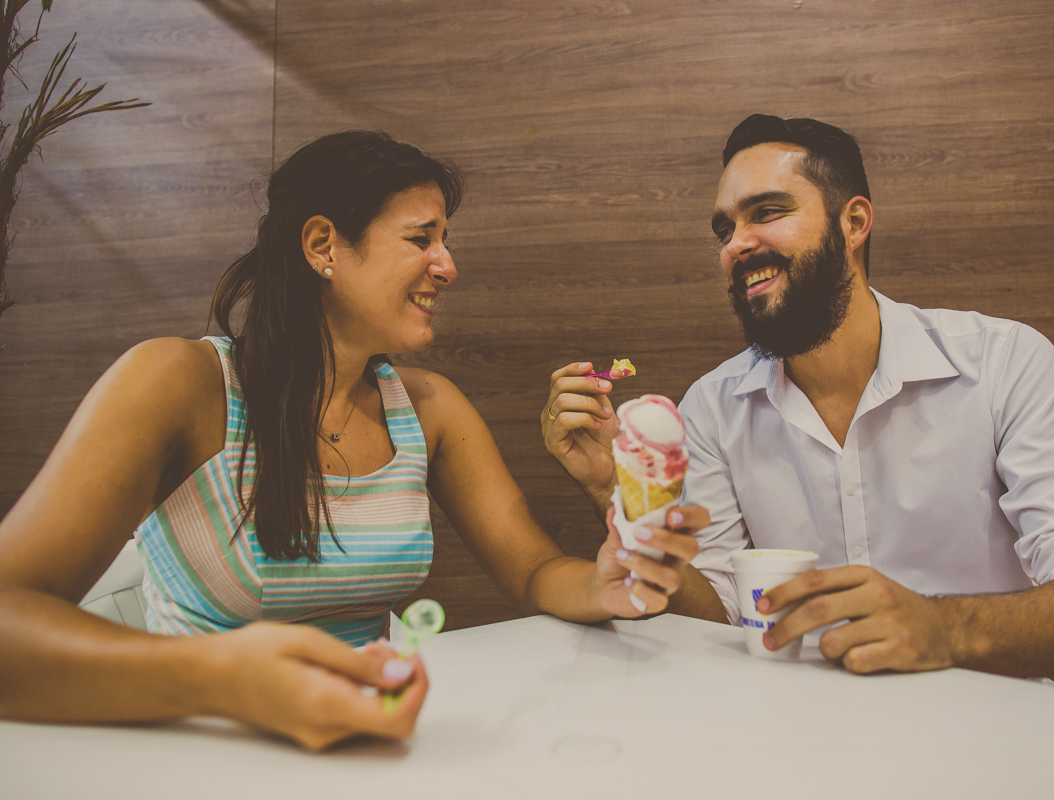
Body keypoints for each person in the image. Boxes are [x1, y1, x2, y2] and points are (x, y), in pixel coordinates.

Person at [0, 130, 708, 751]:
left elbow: (531, 572)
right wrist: (224, 682)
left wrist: (603, 580)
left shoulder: (432, 409)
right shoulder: (177, 383)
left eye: (447, 240)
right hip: (188, 753)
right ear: (322, 246)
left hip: (359, 752)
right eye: (421, 237)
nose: (448, 265)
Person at [543, 114, 1054, 678]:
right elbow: (723, 612)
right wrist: (625, 496)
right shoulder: (710, 407)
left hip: (994, 720)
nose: (736, 243)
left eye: (767, 212)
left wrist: (944, 627)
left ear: (854, 223)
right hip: (800, 731)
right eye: (725, 228)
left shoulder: (1004, 362)